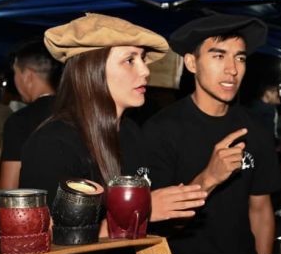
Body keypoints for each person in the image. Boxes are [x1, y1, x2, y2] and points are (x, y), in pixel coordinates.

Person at [143, 13, 281, 254]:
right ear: (192, 63)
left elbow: (260, 209)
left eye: (240, 58)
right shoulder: (161, 130)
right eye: (219, 56)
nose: (232, 70)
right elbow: (157, 224)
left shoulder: (254, 131)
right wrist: (209, 177)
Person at [19, 13, 206, 222]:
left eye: (142, 59)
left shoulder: (131, 132)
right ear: (92, 70)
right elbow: (49, 239)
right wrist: (143, 212)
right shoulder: (53, 143)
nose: (145, 70)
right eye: (129, 60)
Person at [0, 40, 60, 189]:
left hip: (35, 211)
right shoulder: (79, 112)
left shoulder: (20, 121)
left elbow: (8, 190)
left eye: (15, 72)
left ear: (27, 76)